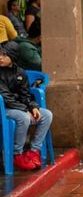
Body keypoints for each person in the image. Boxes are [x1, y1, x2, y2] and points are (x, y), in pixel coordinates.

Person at [0, 42, 53, 171]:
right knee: (24, 118)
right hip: (4, 108)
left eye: (4, 55)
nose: (0, 58)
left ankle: (34, 151)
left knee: (46, 115)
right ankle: (16, 154)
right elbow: (5, 96)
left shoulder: (20, 72)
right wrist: (25, 110)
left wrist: (33, 107)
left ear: (13, 56)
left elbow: (26, 94)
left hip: (18, 107)